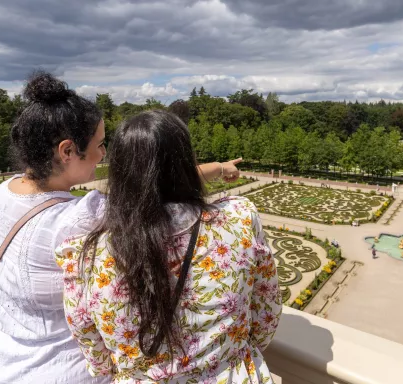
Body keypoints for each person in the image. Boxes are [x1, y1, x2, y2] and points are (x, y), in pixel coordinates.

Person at [0, 72, 242, 384]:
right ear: (67, 151)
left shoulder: (2, 194)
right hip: (62, 371)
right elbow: (158, 188)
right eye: (100, 145)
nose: (104, 155)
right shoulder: (81, 218)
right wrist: (221, 168)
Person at [56, 110, 282, 383]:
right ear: (186, 161)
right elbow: (266, 315)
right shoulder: (240, 219)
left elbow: (97, 356)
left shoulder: (85, 256)